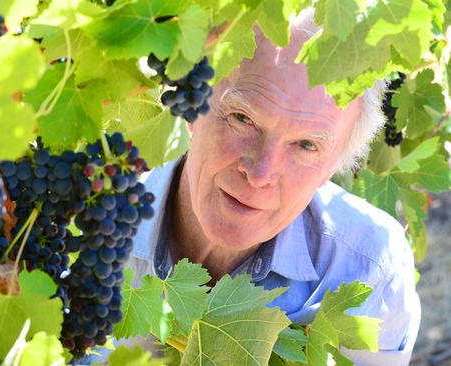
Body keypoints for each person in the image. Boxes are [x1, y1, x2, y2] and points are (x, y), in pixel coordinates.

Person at [125, 9, 421, 366]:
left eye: (306, 145)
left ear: (335, 166)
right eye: (243, 118)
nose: (261, 172)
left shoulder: (371, 271)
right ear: (190, 105)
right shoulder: (80, 223)